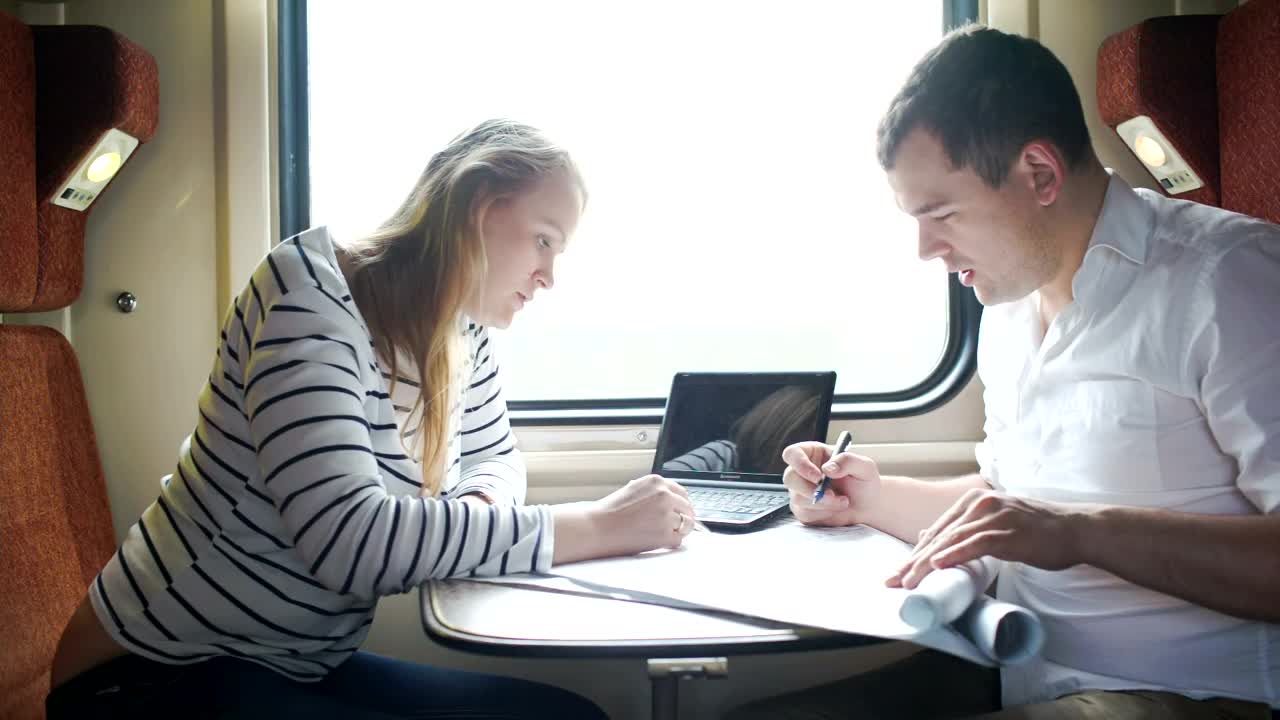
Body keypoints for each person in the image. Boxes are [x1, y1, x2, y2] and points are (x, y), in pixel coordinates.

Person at [46, 119, 699, 719]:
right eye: (543, 240)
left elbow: (495, 457)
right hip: (154, 674)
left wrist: (476, 506)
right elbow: (348, 542)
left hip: (290, 665)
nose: (550, 275)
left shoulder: (461, 334)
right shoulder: (308, 297)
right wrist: (600, 526)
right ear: (478, 208)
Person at [729, 24, 1280, 720]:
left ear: (1040, 174)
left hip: (1190, 696)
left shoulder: (1231, 284)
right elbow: (1011, 503)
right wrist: (867, 497)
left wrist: (1080, 531)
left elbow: (1048, 522)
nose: (926, 248)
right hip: (1019, 669)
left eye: (942, 214)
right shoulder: (1010, 308)